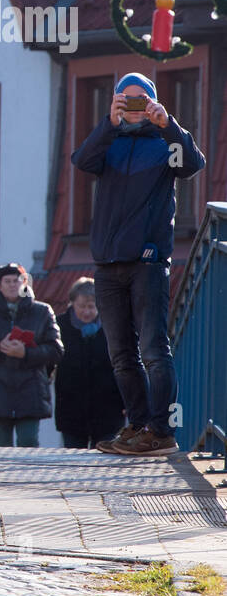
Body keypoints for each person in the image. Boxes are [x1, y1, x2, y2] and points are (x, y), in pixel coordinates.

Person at [71, 72, 204, 456]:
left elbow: (192, 164)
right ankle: (138, 425)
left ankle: (161, 431)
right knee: (121, 354)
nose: (132, 105)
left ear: (152, 102)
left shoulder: (164, 143)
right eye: (123, 99)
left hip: (148, 261)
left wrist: (169, 124)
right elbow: (82, 161)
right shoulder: (108, 143)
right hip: (108, 263)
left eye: (139, 99)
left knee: (153, 349)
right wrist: (108, 124)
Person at [0, 262, 64, 447]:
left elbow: (56, 350)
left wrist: (25, 353)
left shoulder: (42, 312)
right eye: (7, 281)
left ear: (25, 282)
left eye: (16, 281)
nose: (12, 285)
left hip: (31, 389)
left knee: (29, 443)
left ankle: (27, 477)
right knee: (0, 446)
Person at [53, 277, 124, 449]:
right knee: (73, 460)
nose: (86, 312)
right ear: (72, 304)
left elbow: (123, 365)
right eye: (81, 306)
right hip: (71, 409)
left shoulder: (113, 325)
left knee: (104, 463)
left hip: (108, 410)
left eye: (91, 307)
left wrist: (127, 400)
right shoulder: (59, 326)